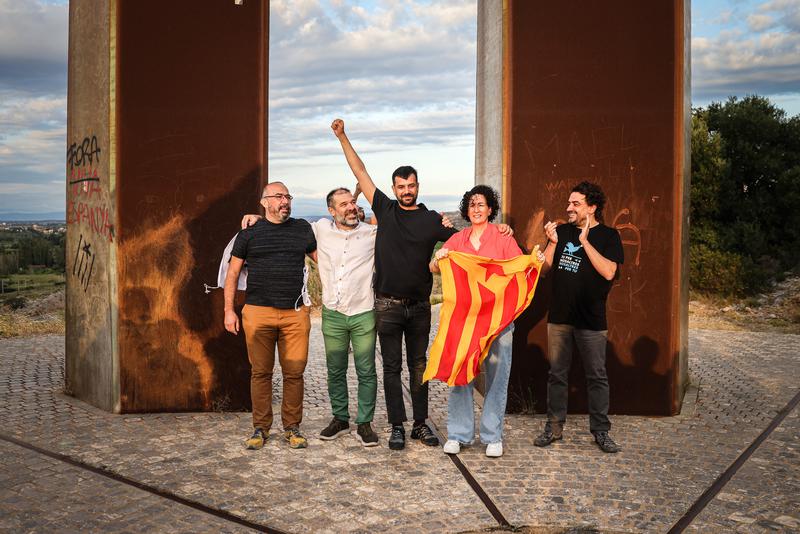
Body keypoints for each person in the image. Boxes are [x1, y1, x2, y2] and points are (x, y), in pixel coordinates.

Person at [331, 118, 457, 451]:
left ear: (417, 186)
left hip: (419, 308)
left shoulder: (432, 220)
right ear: (394, 187)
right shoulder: (385, 209)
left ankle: (420, 425)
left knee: (419, 367)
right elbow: (360, 172)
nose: (406, 191)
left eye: (411, 185)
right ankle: (397, 426)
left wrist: (496, 230)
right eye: (401, 186)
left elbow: (465, 241)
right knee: (390, 367)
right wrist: (343, 136)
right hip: (386, 306)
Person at [430, 185, 527, 458]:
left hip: (498, 319)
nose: (476, 209)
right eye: (472, 204)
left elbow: (519, 268)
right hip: (464, 320)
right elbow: (434, 267)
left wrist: (536, 261)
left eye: (481, 204)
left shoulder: (503, 237)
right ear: (466, 209)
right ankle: (459, 434)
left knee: (498, 376)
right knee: (460, 374)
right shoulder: (459, 239)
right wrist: (439, 259)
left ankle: (492, 435)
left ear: (490, 209)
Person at [224, 182, 317, 450]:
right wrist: (229, 310)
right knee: (261, 373)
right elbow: (232, 274)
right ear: (265, 202)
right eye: (279, 196)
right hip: (257, 313)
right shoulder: (249, 234)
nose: (285, 201)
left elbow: (325, 259)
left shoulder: (302, 228)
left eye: (288, 196)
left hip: (295, 314)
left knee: (294, 373)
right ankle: (260, 428)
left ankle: (292, 428)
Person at [533, 181, 624, 453]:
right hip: (560, 317)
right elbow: (544, 270)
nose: (569, 207)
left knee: (596, 375)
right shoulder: (562, 232)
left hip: (592, 320)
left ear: (592, 207)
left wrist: (585, 242)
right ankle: (554, 426)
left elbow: (609, 272)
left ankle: (600, 431)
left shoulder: (609, 236)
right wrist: (551, 242)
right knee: (557, 374)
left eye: (576, 203)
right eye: (569, 203)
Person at [308, 187, 380, 447]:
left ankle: (364, 423)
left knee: (366, 371)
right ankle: (340, 418)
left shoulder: (372, 234)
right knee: (335, 370)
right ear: (331, 211)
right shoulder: (321, 229)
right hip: (333, 313)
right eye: (343, 204)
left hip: (363, 312)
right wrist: (255, 217)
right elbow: (288, 228)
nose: (350, 207)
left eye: (352, 202)